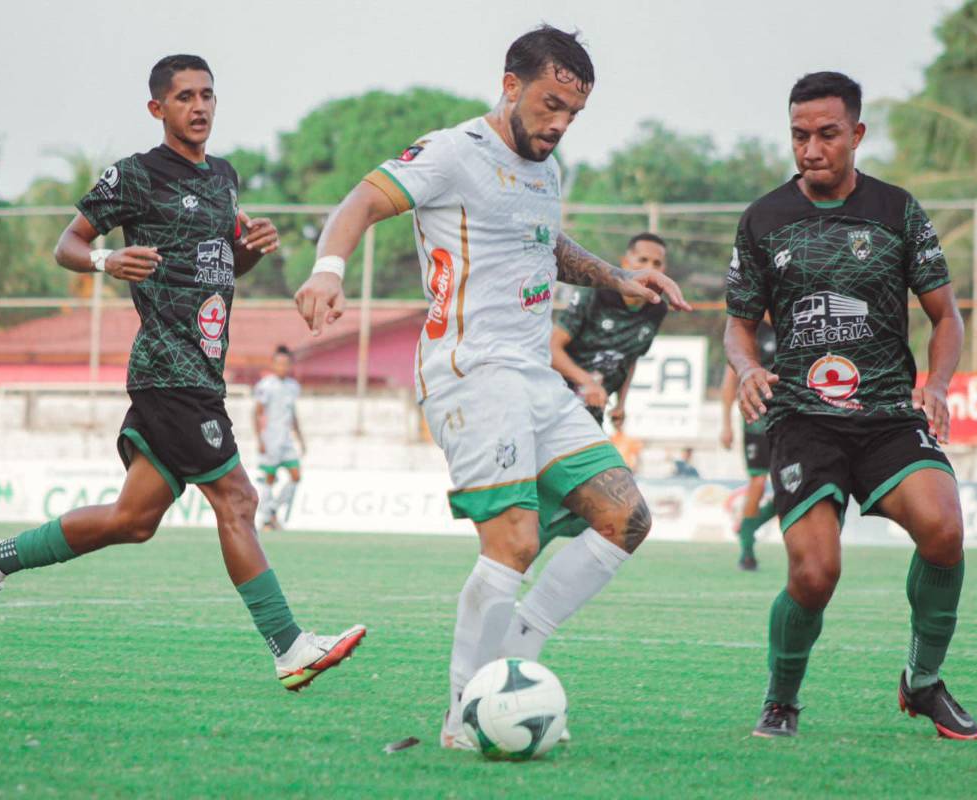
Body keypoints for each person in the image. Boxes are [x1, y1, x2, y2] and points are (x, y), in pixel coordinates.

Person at [293, 26, 690, 750]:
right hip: (472, 371)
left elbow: (544, 244)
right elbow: (359, 202)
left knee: (625, 518)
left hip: (534, 376)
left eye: (574, 112)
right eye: (549, 104)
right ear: (510, 85)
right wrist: (329, 270)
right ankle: (463, 715)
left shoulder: (546, 167)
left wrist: (619, 277)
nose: (559, 124)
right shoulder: (453, 152)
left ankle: (515, 670)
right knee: (514, 539)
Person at [0, 54, 365, 692]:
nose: (198, 107)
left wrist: (244, 251)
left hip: (200, 371)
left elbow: (215, 270)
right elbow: (67, 243)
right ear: (158, 109)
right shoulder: (136, 175)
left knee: (134, 520)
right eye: (183, 97)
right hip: (167, 370)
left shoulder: (225, 177)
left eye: (207, 95)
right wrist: (105, 261)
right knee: (239, 499)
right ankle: (288, 647)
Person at [725, 71, 977, 739]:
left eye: (826, 135)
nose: (810, 149)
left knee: (945, 528)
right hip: (803, 422)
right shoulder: (763, 219)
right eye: (799, 136)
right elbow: (738, 321)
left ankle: (922, 683)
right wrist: (747, 366)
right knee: (815, 573)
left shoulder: (897, 210)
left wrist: (939, 383)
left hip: (890, 415)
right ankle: (782, 699)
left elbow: (945, 315)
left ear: (857, 135)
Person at [551, 233, 670, 427]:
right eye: (643, 260)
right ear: (624, 263)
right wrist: (587, 381)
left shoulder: (657, 310)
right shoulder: (593, 294)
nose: (650, 268)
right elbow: (551, 349)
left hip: (593, 410)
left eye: (657, 263)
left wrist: (621, 404)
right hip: (557, 402)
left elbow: (629, 359)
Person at [719, 321, 777, 570]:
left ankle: (748, 527)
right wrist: (726, 424)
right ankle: (747, 550)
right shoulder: (748, 328)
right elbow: (731, 378)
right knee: (758, 481)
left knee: (795, 483)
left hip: (792, 416)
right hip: (757, 417)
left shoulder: (795, 318)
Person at [254, 346, 305, 531]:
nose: (282, 367)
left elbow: (293, 414)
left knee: (296, 476)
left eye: (286, 363)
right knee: (269, 478)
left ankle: (272, 509)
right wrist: (260, 439)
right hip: (271, 439)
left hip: (287, 440)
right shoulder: (266, 386)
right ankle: (267, 520)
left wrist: (301, 438)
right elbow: (257, 413)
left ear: (290, 365)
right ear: (273, 364)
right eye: (279, 363)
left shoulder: (293, 386)